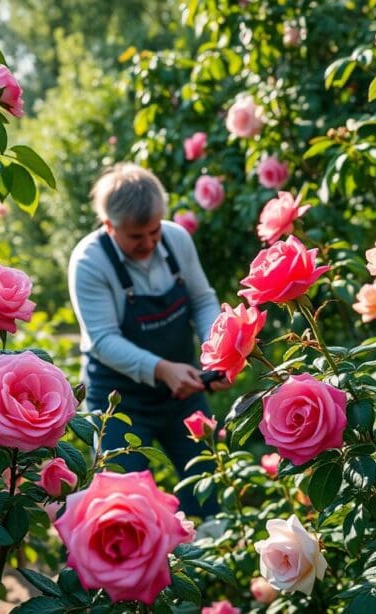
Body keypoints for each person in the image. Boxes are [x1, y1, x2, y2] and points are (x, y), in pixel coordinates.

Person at [68, 163, 229, 516]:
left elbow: (202, 300)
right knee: (121, 507)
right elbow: (103, 340)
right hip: (119, 402)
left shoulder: (177, 239)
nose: (149, 243)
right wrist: (161, 369)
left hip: (182, 394)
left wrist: (217, 354)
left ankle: (210, 567)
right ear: (109, 226)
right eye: (136, 237)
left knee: (208, 490)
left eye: (153, 232)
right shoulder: (89, 262)